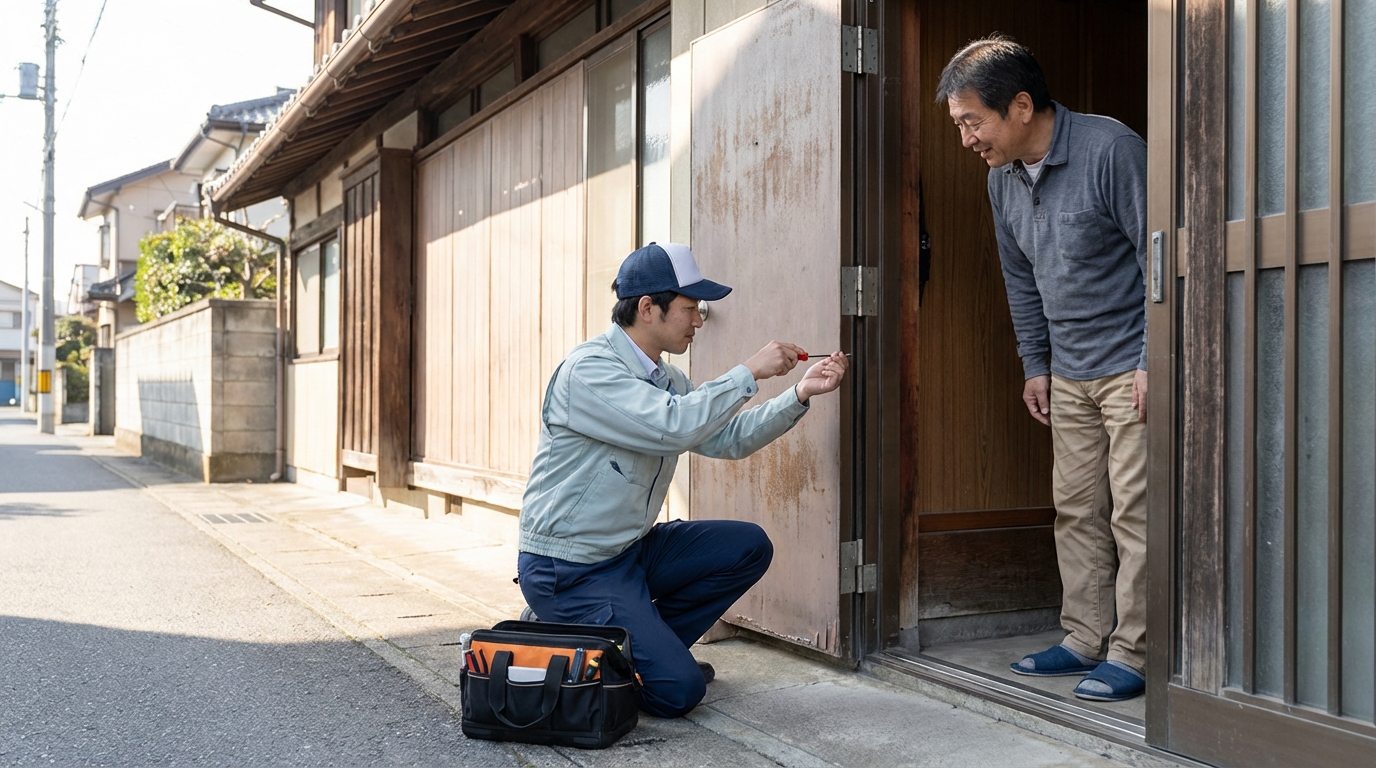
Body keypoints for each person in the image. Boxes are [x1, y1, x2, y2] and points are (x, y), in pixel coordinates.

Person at [516, 241, 848, 718]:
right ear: (648, 308)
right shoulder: (589, 372)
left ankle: (637, 649)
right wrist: (749, 372)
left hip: (627, 554)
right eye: (691, 309)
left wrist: (798, 393)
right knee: (679, 693)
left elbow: (726, 438)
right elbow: (673, 425)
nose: (699, 320)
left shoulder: (667, 379)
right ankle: (595, 641)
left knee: (746, 546)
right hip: (569, 569)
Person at [935, 35, 1149, 702]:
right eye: (960, 124)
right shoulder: (1000, 178)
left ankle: (1135, 651)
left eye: (974, 121)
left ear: (1021, 106)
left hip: (1131, 363)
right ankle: (1085, 638)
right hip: (1071, 369)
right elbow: (1019, 278)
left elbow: (1161, 256)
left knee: (1135, 513)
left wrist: (1155, 360)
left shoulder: (1110, 149)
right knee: (1077, 509)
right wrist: (1037, 363)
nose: (968, 138)